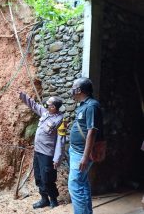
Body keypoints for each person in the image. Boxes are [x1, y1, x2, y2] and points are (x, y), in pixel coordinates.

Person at [19, 92, 66, 209]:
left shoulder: (60, 121)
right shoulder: (45, 113)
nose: (46, 104)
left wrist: (57, 158)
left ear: (53, 107)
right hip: (38, 152)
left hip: (48, 155)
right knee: (39, 177)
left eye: (48, 103)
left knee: (48, 178)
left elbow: (61, 141)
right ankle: (44, 199)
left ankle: (53, 200)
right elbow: (33, 105)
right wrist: (22, 95)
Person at [68, 77, 103, 214]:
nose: (71, 90)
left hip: (81, 154)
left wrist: (85, 157)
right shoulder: (84, 105)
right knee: (82, 184)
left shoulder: (92, 106)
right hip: (76, 151)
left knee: (75, 185)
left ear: (78, 90)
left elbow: (92, 132)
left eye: (73, 87)